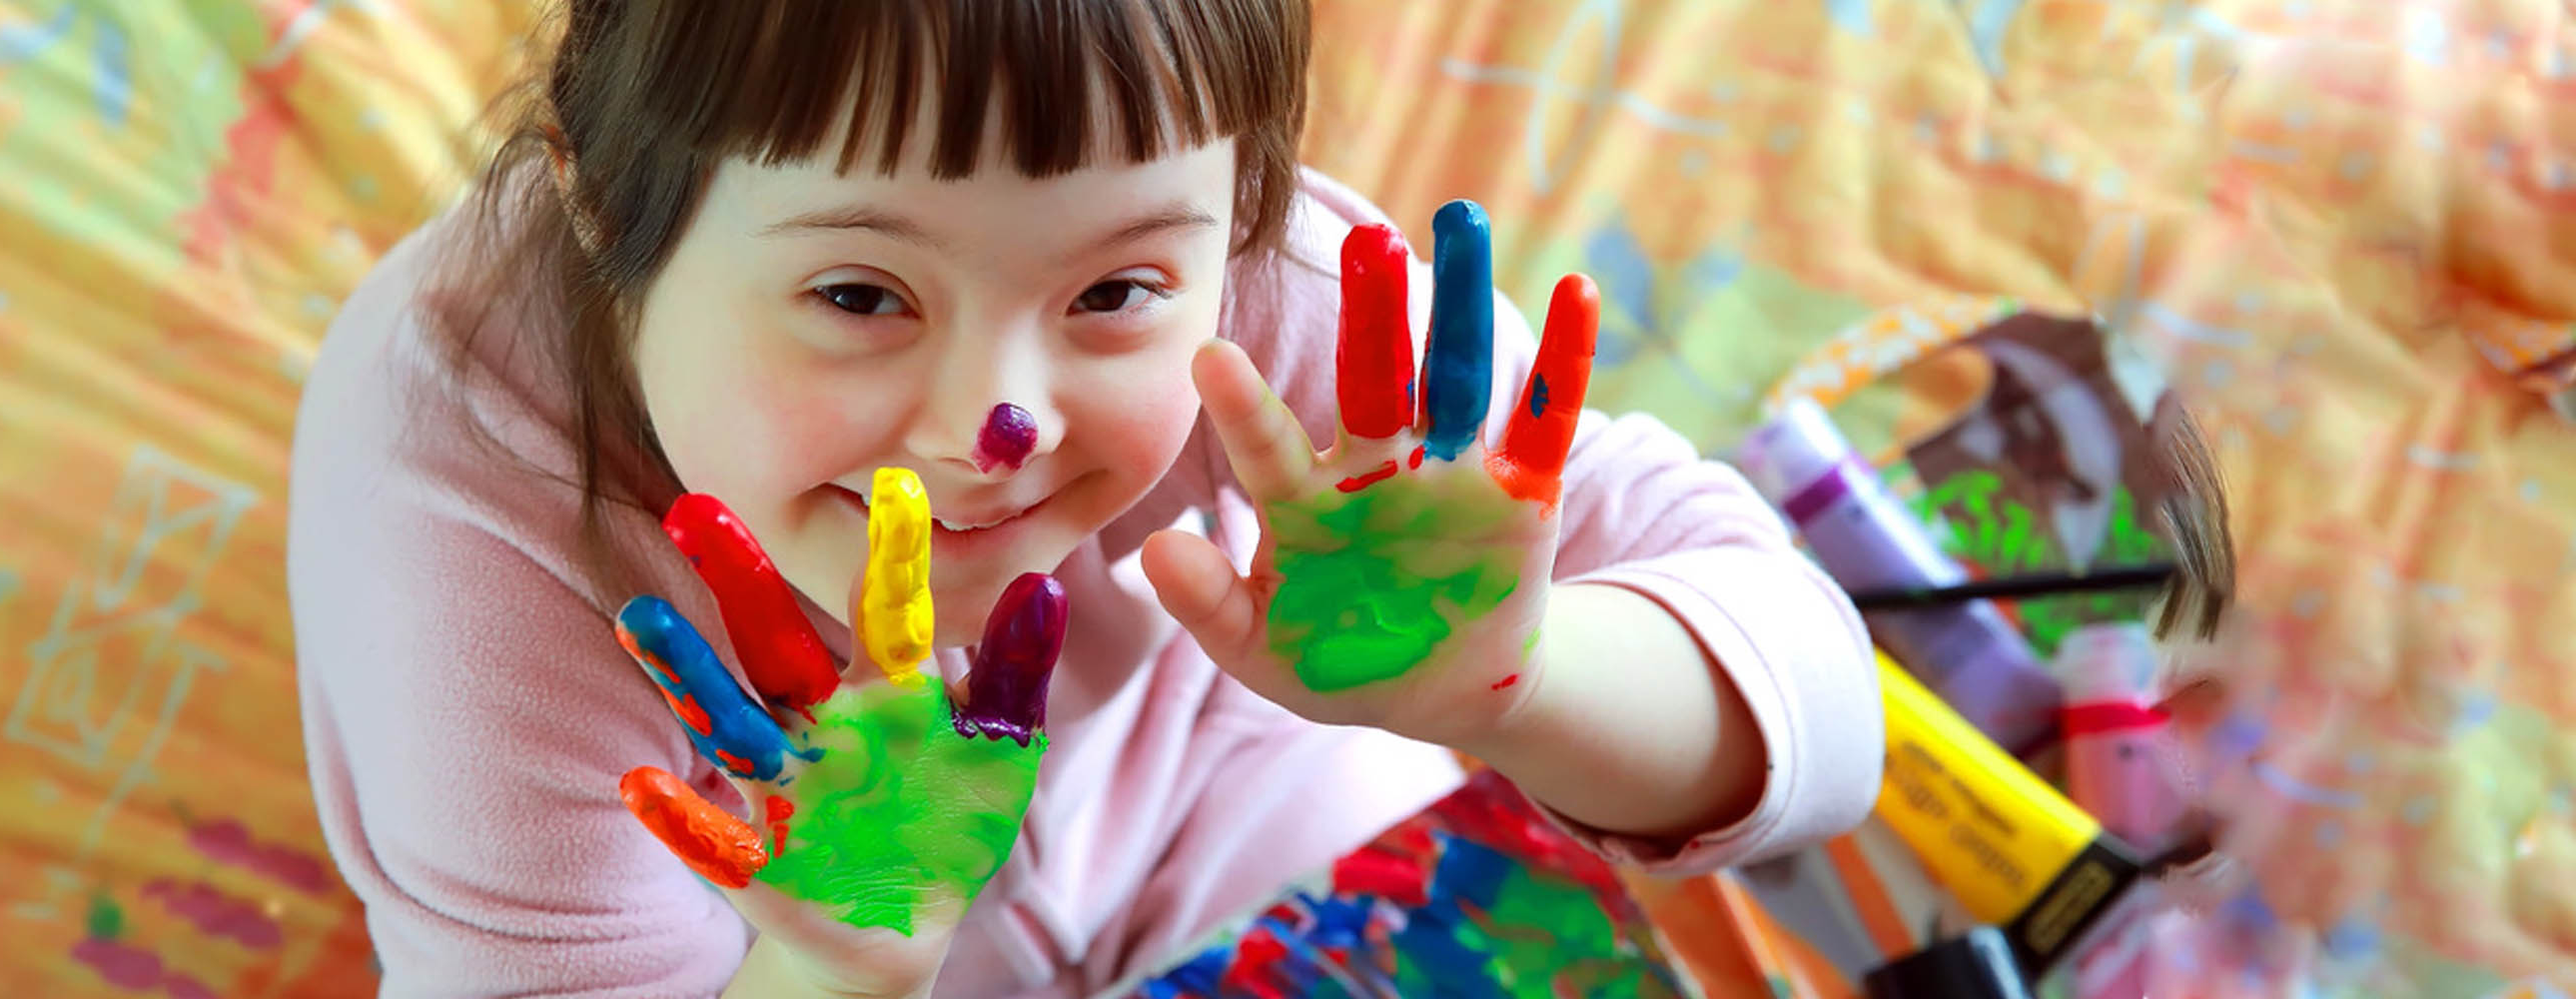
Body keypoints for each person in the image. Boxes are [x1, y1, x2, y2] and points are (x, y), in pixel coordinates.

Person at [287, 3, 1881, 996]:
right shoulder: (464, 513)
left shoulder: (1279, 297)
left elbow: (1826, 718)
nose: (1000, 427)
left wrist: (1525, 679)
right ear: (593, 197)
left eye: (1118, 288)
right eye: (859, 293)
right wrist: (836, 962)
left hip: (1240, 810)